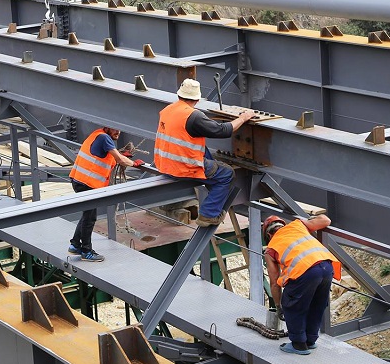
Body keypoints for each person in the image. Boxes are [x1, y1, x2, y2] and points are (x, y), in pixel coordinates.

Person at [154, 78, 255, 227]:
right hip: (183, 168)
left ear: (179, 95)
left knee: (203, 149)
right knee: (226, 174)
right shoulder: (194, 116)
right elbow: (223, 130)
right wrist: (243, 118)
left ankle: (211, 198)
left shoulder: (167, 110)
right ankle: (208, 215)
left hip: (164, 165)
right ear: (197, 98)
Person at [262, 214, 342, 355]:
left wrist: (279, 306)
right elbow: (326, 220)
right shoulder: (297, 225)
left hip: (306, 271)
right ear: (283, 225)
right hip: (327, 266)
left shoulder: (271, 249)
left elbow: (275, 283)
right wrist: (312, 217)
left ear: (268, 234)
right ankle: (310, 340)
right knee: (317, 304)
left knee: (291, 304)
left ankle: (299, 344)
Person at [68, 127, 144, 262]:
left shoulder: (97, 134)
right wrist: (133, 163)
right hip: (87, 184)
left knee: (87, 214)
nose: (118, 132)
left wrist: (120, 157)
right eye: (114, 129)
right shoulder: (104, 138)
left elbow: (105, 158)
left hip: (80, 181)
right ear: (107, 128)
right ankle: (86, 251)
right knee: (90, 218)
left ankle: (75, 244)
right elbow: (120, 160)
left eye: (120, 130)